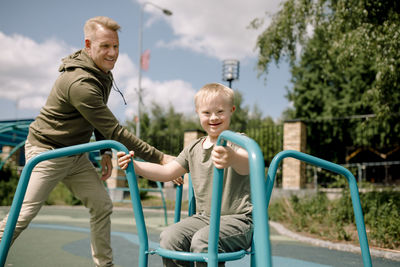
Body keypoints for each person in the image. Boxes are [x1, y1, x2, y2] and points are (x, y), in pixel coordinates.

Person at [0, 16, 174, 267]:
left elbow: (100, 118)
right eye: (105, 46)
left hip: (76, 153)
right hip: (46, 151)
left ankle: (104, 264)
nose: (112, 53)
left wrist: (104, 151)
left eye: (115, 46)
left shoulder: (102, 72)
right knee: (22, 214)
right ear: (88, 44)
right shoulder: (79, 82)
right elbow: (115, 129)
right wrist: (160, 157)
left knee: (102, 204)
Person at [117, 83, 253, 267]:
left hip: (239, 220)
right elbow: (166, 172)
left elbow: (248, 165)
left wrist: (233, 158)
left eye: (220, 111)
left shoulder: (237, 141)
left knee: (204, 240)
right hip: (204, 218)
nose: (213, 117)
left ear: (232, 110)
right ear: (197, 112)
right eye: (206, 113)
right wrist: (136, 166)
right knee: (169, 238)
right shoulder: (193, 149)